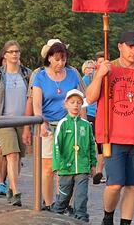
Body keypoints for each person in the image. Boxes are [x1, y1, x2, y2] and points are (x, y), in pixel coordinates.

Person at [85, 31, 134, 225]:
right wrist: (99, 75)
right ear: (120, 46)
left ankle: (126, 222)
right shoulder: (108, 68)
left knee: (132, 185)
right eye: (131, 46)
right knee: (115, 184)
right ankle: (108, 216)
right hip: (112, 135)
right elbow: (89, 97)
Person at [32, 40, 85, 209]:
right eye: (57, 59)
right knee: (48, 167)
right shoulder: (39, 76)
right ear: (49, 58)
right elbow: (37, 103)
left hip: (67, 124)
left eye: (63, 59)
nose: (60, 63)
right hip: (47, 123)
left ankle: (63, 203)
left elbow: (79, 99)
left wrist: (83, 123)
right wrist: (40, 122)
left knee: (66, 167)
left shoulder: (71, 74)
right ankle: (48, 203)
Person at [0, 41, 33, 206]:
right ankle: (16, 191)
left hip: (23, 120)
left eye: (17, 51)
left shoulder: (27, 74)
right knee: (11, 154)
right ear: (4, 55)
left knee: (18, 158)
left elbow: (32, 97)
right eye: (11, 52)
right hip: (3, 120)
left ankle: (12, 186)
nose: (14, 54)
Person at [51, 89, 97, 222]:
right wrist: (57, 164)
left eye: (78, 102)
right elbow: (57, 145)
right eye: (72, 102)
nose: (75, 105)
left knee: (81, 196)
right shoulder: (63, 124)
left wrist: (93, 164)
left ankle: (81, 218)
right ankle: (56, 216)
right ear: (66, 104)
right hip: (66, 167)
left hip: (82, 167)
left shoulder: (86, 125)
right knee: (64, 197)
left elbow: (91, 145)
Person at [84, 52, 106, 185]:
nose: (102, 64)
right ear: (96, 63)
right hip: (90, 114)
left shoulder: (109, 76)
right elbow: (83, 96)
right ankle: (89, 169)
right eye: (100, 61)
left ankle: (98, 172)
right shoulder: (88, 78)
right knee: (89, 143)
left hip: (103, 115)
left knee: (101, 145)